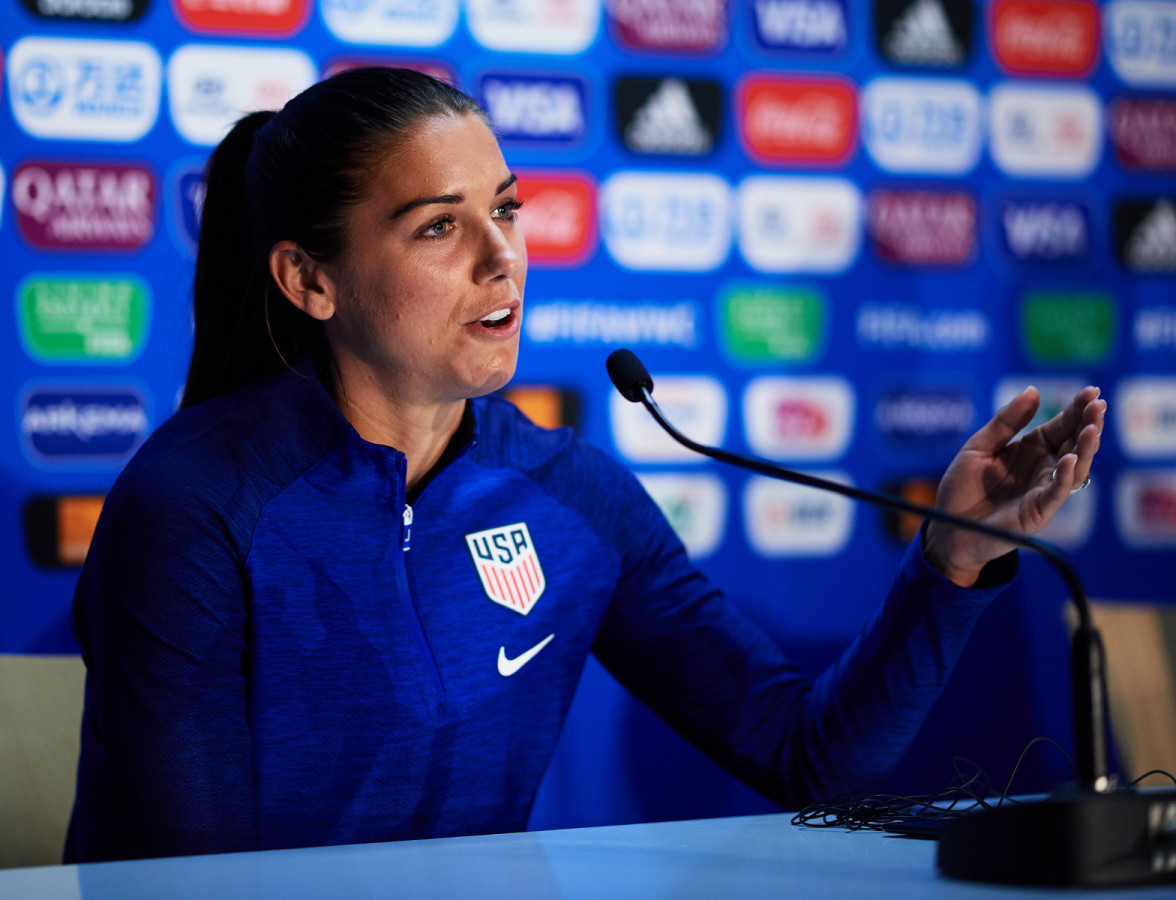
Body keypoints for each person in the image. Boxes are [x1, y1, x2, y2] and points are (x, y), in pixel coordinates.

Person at [65, 67, 1105, 863]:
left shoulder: (570, 495)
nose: (500, 255)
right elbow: (190, 883)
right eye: (439, 227)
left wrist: (955, 559)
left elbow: (807, 755)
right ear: (309, 280)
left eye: (506, 210)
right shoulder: (197, 508)